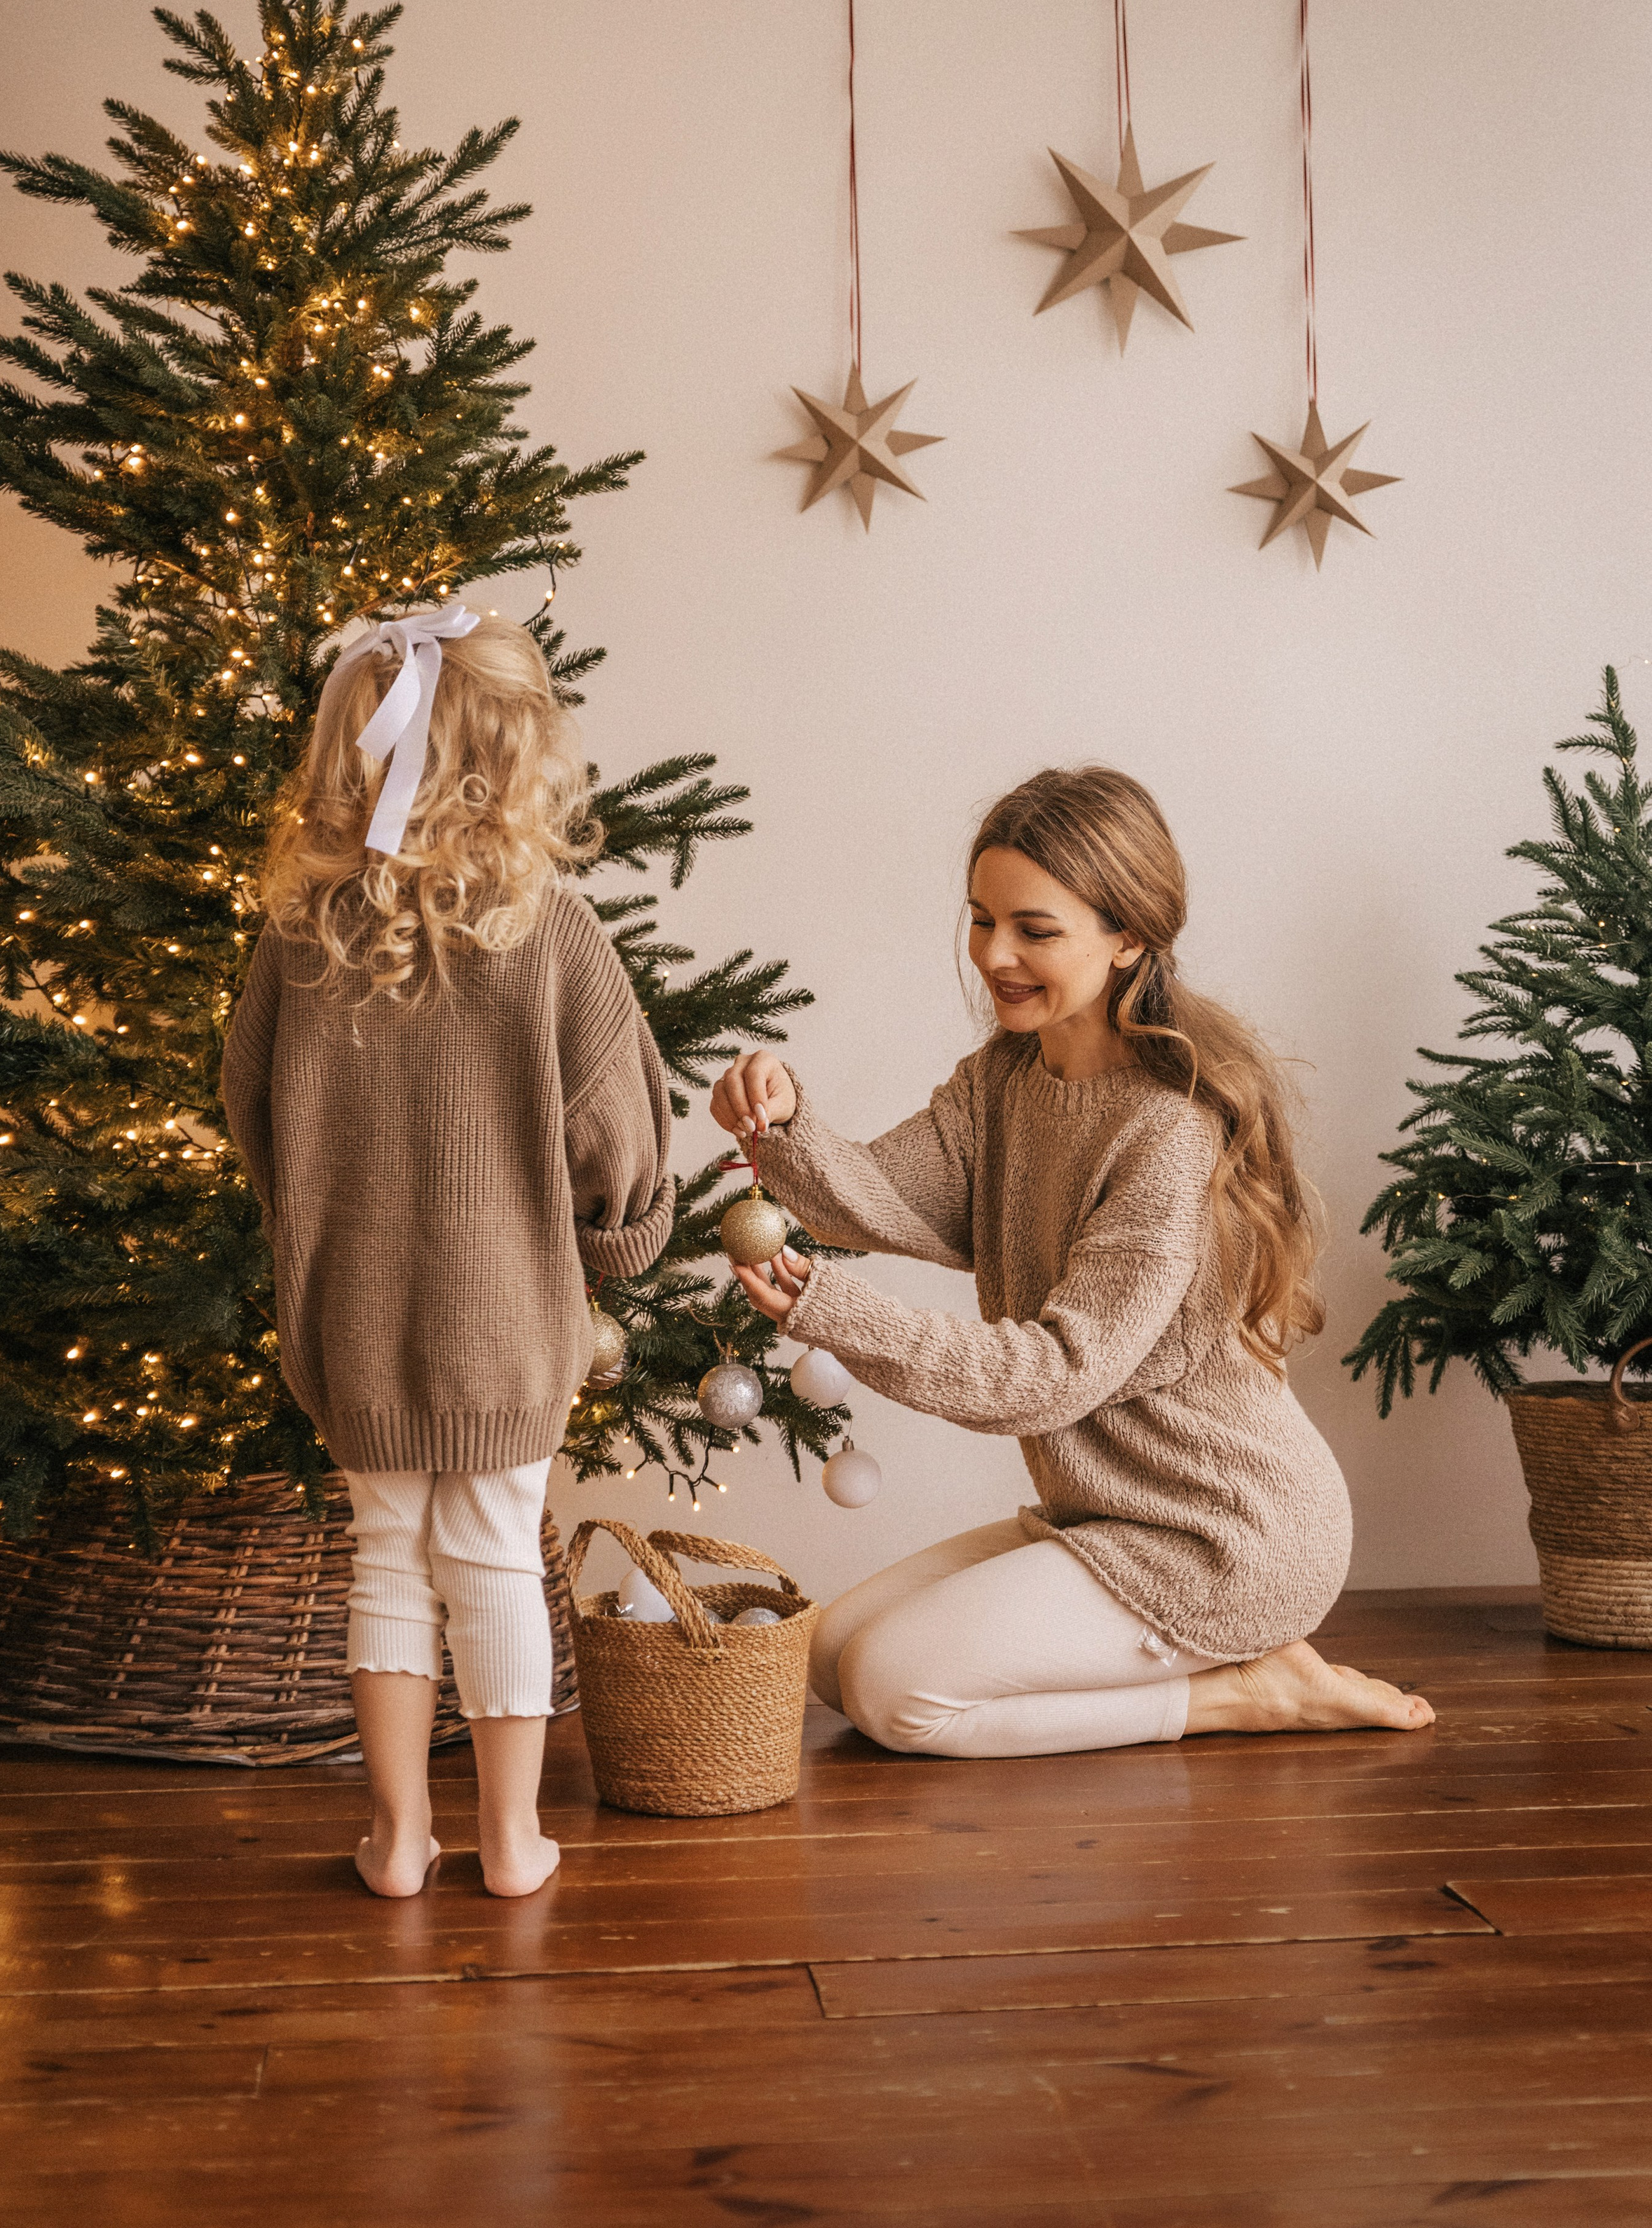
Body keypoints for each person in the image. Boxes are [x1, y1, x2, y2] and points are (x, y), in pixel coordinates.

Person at [710, 765, 1432, 1762]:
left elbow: (1055, 1374)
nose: (994, 955)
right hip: (1105, 1511)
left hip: (1223, 1534)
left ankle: (1246, 1691)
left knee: (891, 1689)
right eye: (980, 919)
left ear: (1128, 935)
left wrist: (836, 1313)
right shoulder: (1005, 1077)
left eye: (1034, 930)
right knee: (832, 1653)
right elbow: (874, 1195)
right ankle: (1228, 1676)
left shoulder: (1165, 1135)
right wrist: (783, 1124)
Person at [224, 606, 673, 1895]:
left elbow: (247, 1097)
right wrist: (619, 1236)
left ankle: (400, 1835)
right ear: (522, 759)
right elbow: (618, 1131)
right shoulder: (554, 930)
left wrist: (307, 1212)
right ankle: (514, 1837)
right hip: (507, 1321)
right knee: (493, 1558)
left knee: (384, 1553)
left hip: (353, 1312)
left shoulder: (303, 934)